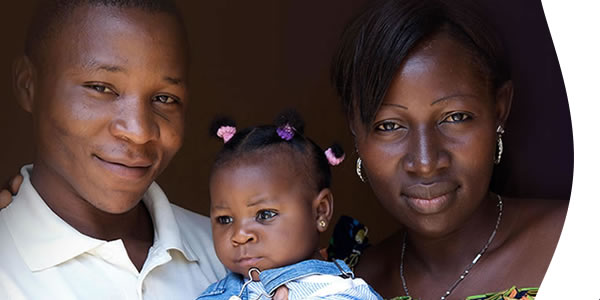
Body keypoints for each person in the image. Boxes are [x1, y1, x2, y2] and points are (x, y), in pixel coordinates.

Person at [329, 0, 568, 299]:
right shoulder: (344, 287)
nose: (426, 163)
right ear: (355, 128)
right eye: (389, 125)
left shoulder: (578, 240)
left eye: (456, 118)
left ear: (499, 109)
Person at [0, 0, 233, 299]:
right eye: (100, 88)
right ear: (28, 85)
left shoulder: (236, 255)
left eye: (164, 98)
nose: (139, 132)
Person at [197, 110, 382, 299]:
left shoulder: (339, 294)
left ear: (320, 211)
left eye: (265, 214)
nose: (240, 235)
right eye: (225, 219)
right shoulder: (216, 294)